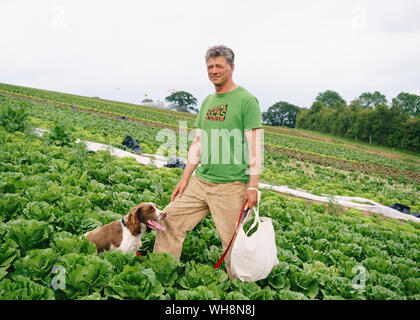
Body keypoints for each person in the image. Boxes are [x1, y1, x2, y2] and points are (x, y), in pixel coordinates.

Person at [153, 45, 263, 279]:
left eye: (219, 66)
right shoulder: (208, 102)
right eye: (210, 66)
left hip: (231, 185)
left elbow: (255, 145)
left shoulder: (246, 100)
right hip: (201, 181)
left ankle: (240, 292)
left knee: (233, 244)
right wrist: (184, 178)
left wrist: (253, 185)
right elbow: (199, 143)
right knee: (168, 220)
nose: (214, 70)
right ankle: (161, 274)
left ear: (231, 68)